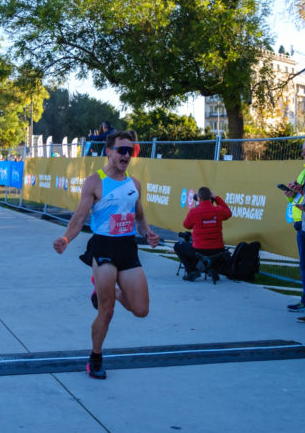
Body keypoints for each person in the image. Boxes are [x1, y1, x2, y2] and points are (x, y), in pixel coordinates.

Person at [53, 131, 159, 379]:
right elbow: (80, 218)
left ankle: (113, 291)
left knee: (141, 310)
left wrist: (148, 234)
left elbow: (140, 217)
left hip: (127, 247)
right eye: (121, 150)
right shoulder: (94, 182)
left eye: (130, 151)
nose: (126, 155)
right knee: (107, 311)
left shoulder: (134, 184)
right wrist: (66, 238)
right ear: (108, 151)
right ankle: (96, 357)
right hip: (103, 248)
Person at [282, 137, 305, 320]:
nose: (303, 153)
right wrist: (291, 194)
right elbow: (297, 198)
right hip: (301, 224)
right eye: (303, 150)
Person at [176, 187, 231, 280]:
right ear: (211, 197)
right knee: (209, 252)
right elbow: (228, 213)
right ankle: (212, 269)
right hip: (218, 250)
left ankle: (192, 271)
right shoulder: (219, 210)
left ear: (198, 198)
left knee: (178, 246)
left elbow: (186, 225)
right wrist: (217, 198)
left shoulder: (194, 212)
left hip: (199, 250)